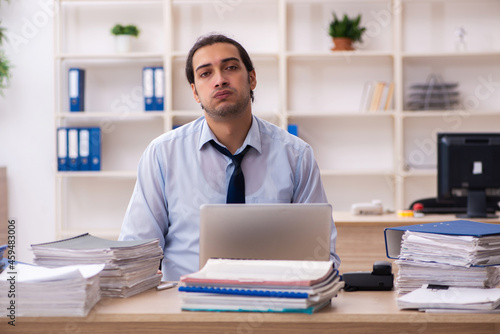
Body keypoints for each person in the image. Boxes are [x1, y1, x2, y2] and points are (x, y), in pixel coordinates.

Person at [119, 34, 340, 280]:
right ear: (195, 92)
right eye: (205, 74)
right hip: (185, 305)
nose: (220, 80)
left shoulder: (296, 155)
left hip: (276, 304)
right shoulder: (163, 154)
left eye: (231, 68)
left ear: (252, 78)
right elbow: (135, 253)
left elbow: (321, 256)